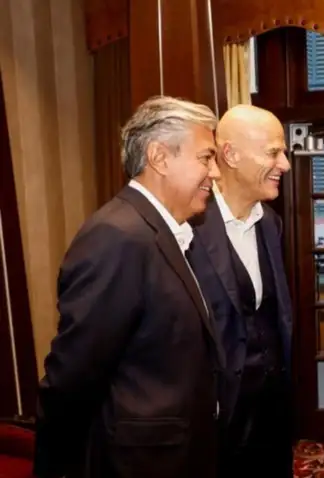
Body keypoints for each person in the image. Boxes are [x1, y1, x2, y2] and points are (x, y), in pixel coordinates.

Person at [34, 96, 223, 478]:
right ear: (159, 157)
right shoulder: (117, 236)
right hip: (138, 463)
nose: (215, 173)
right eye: (206, 158)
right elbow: (75, 372)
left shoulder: (161, 230)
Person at [186, 104, 295, 477]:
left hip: (272, 411)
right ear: (230, 155)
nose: (285, 164)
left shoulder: (271, 223)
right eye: (273, 152)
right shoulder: (189, 228)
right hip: (218, 419)